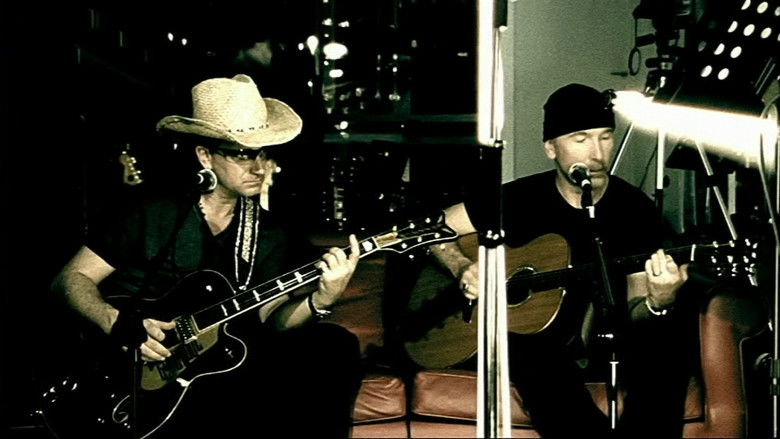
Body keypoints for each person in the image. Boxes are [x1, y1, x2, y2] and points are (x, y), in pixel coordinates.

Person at [50, 74, 364, 437]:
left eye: (263, 153)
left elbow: (270, 317)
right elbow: (70, 279)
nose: (259, 167)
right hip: (129, 367)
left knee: (333, 345)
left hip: (218, 366)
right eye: (242, 154)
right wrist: (117, 323)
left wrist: (321, 300)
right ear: (205, 156)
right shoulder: (151, 211)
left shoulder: (271, 232)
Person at [427, 83, 702, 438]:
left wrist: (658, 301)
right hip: (531, 344)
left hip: (597, 340)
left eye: (605, 137)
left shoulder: (635, 209)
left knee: (669, 350)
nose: (597, 153)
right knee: (534, 354)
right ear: (551, 148)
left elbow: (637, 308)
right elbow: (436, 229)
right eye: (580, 139)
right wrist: (462, 267)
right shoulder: (520, 198)